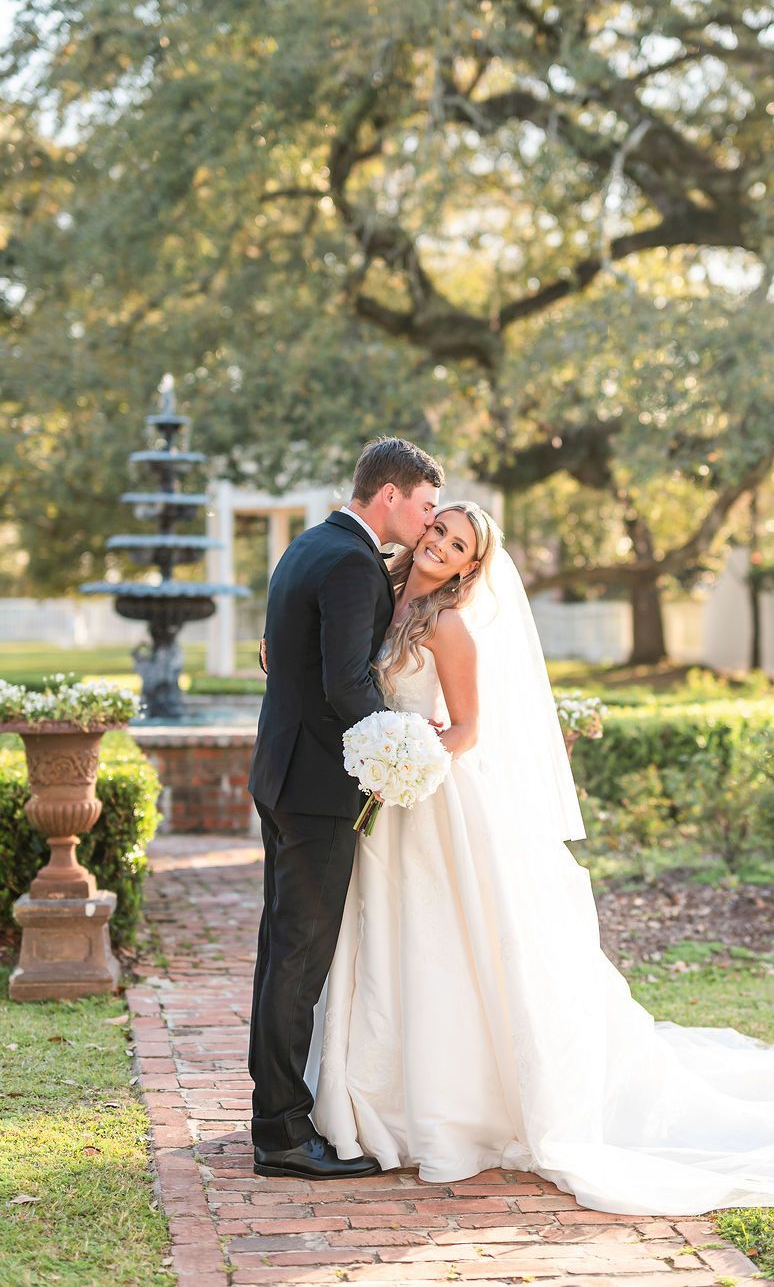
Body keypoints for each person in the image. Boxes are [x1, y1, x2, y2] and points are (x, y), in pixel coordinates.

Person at [306, 502, 774, 1217]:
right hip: (387, 805)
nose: (438, 543)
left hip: (434, 802)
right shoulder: (378, 592)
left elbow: (467, 729)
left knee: (447, 949)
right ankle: (383, 1095)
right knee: (390, 943)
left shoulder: (453, 629)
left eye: (456, 543)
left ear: (469, 567)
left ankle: (452, 1110)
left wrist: (415, 755)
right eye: (437, 529)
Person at [247, 436, 443, 1180]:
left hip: (282, 776)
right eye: (425, 507)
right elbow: (345, 686)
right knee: (299, 958)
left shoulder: (308, 545)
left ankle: (277, 1118)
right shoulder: (356, 563)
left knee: (281, 952)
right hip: (321, 789)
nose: (428, 524)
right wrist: (400, 750)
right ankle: (283, 1139)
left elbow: (282, 654)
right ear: (388, 495)